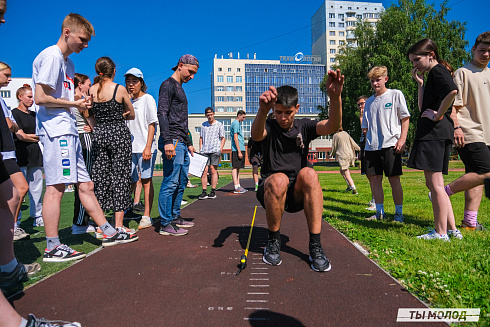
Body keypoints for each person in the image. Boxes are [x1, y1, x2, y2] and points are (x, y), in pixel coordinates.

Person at [33, 14, 138, 262]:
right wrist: (74, 103)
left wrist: (81, 105)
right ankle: (52, 246)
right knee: (57, 188)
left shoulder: (67, 63)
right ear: (67, 32)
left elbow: (64, 99)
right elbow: (40, 97)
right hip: (56, 130)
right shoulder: (51, 57)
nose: (86, 45)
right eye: (83, 39)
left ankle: (109, 231)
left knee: (87, 185)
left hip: (69, 129)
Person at [251, 69, 343, 272]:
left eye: (288, 112)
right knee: (279, 179)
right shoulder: (268, 124)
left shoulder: (304, 126)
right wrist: (262, 110)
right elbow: (257, 136)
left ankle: (315, 245)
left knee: (309, 173)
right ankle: (273, 241)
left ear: (297, 108)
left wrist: (335, 98)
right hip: (272, 188)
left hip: (298, 192)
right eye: (278, 112)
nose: (283, 118)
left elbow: (332, 126)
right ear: (273, 110)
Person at [407, 38, 462, 240]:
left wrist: (438, 114)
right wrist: (420, 84)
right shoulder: (432, 75)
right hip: (436, 134)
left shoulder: (438, 71)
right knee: (436, 184)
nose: (414, 65)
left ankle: (440, 233)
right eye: (412, 62)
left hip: (434, 133)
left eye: (416, 60)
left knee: (435, 184)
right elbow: (422, 108)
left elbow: (452, 92)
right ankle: (452, 230)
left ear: (431, 55)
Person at [439, 31, 490, 231]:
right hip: (469, 131)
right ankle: (443, 193)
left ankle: (470, 221)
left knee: (476, 176)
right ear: (474, 49)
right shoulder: (463, 72)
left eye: (489, 51)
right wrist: (457, 127)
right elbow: (453, 106)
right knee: (486, 171)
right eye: (482, 50)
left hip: (487, 132)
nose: (486, 54)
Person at [90, 57, 136, 234]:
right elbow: (131, 114)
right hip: (118, 134)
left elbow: (89, 114)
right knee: (121, 177)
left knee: (100, 178)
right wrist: (119, 116)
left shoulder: (91, 90)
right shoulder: (119, 89)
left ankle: (102, 225)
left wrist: (98, 127)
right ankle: (119, 224)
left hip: (100, 134)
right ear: (114, 71)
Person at [362, 66, 410, 223]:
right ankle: (379, 212)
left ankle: (399, 213)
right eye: (372, 81)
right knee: (375, 180)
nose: (375, 83)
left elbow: (405, 118)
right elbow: (365, 126)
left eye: (378, 80)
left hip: (390, 145)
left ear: (385, 79)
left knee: (393, 179)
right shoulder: (369, 101)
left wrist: (402, 140)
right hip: (372, 147)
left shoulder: (395, 95)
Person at [157, 54, 199, 236]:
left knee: (181, 181)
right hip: (172, 141)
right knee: (171, 182)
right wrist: (167, 141)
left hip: (181, 141)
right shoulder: (168, 85)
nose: (192, 77)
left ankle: (174, 216)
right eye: (190, 72)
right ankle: (165, 223)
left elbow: (182, 120)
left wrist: (189, 142)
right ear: (180, 65)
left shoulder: (179, 87)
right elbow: (162, 113)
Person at [125, 67, 158, 229]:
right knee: (129, 180)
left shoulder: (148, 99)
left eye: (135, 81)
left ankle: (146, 215)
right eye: (128, 81)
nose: (131, 85)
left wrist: (147, 147)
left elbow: (152, 124)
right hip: (129, 148)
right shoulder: (127, 101)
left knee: (146, 181)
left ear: (141, 83)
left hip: (145, 148)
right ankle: (126, 209)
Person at [12, 84, 44, 231]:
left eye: (32, 97)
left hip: (35, 154)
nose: (32, 100)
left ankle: (37, 217)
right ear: (20, 96)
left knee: (36, 188)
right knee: (19, 190)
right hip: (21, 154)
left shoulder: (34, 115)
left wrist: (29, 137)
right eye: (29, 97)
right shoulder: (14, 113)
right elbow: (20, 135)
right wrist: (31, 137)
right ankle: (16, 221)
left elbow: (40, 133)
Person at [71, 73, 96, 235]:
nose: (89, 87)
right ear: (80, 84)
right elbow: (91, 120)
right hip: (84, 138)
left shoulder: (68, 98)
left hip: (75, 138)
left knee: (82, 182)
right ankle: (80, 223)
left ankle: (83, 219)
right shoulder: (79, 99)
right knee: (85, 182)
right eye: (87, 84)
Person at [198, 107, 225, 200]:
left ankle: (213, 191)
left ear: (214, 114)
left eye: (211, 115)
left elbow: (223, 137)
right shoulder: (203, 125)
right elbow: (201, 138)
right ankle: (204, 191)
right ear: (206, 115)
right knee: (204, 171)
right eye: (208, 115)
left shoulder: (219, 125)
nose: (209, 116)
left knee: (213, 170)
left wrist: (220, 149)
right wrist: (200, 149)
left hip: (215, 150)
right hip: (205, 151)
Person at [357, 95, 375, 210]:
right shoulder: (363, 115)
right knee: (368, 174)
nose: (360, 106)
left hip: (370, 145)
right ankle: (374, 197)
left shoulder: (369, 114)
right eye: (358, 104)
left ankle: (375, 200)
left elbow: (365, 131)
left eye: (362, 103)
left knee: (372, 175)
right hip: (364, 145)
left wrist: (362, 117)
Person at [331, 127, 360, 194]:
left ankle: (354, 189)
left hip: (343, 155)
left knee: (346, 173)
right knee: (342, 171)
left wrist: (330, 155)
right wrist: (359, 149)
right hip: (350, 154)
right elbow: (353, 142)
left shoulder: (336, 135)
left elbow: (334, 147)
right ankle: (349, 186)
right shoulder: (346, 133)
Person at [231, 110, 247, 194]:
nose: (244, 119)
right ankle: (236, 186)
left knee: (238, 167)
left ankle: (238, 185)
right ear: (239, 115)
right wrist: (239, 151)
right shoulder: (236, 123)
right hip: (237, 149)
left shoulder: (237, 124)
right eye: (243, 117)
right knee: (235, 167)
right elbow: (235, 138)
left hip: (240, 148)